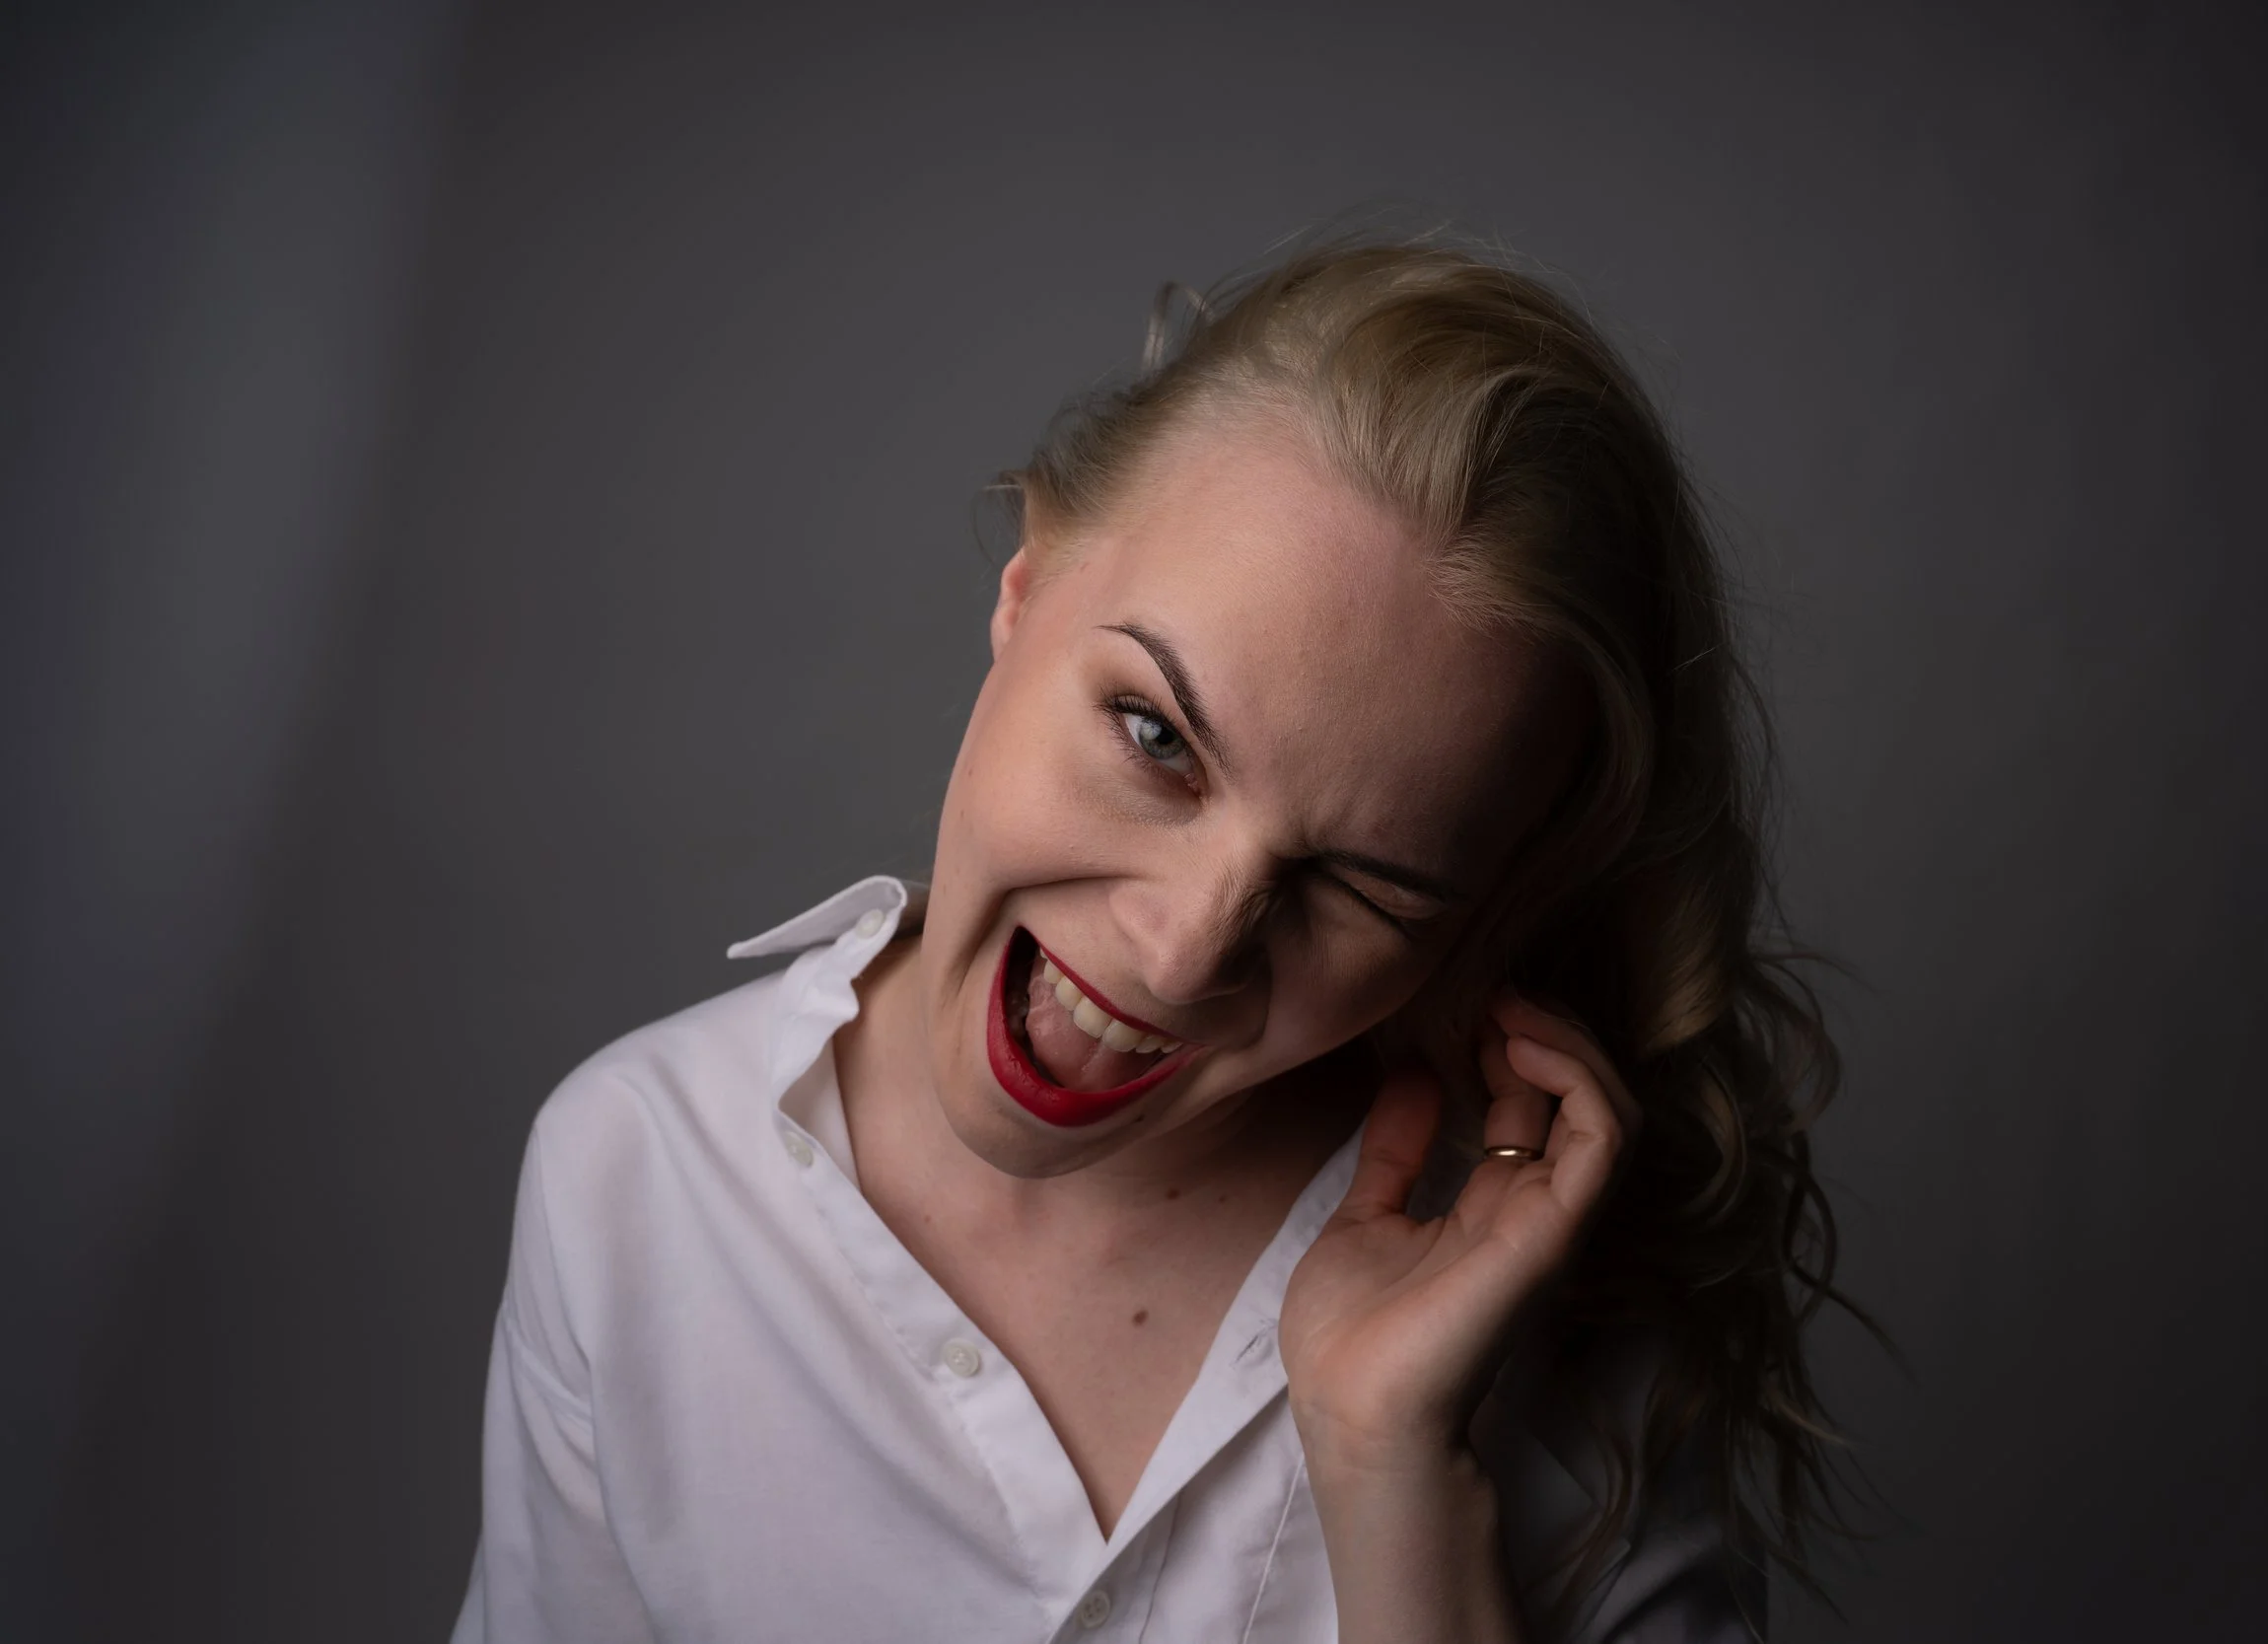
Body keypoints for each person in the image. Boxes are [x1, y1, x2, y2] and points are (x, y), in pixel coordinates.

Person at [450, 233, 1853, 1643]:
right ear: (1026, 586)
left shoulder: (1546, 1317)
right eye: (1154, 736)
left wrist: (1390, 1481)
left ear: (1470, 931)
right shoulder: (635, 1182)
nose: (1185, 954)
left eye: (1363, 887)